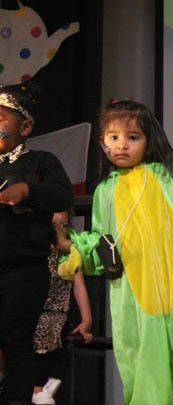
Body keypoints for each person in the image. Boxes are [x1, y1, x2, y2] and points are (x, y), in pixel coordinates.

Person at [54, 99, 173, 404]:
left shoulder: (170, 179)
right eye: (113, 138)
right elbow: (101, 240)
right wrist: (77, 249)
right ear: (103, 143)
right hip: (135, 298)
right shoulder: (105, 192)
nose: (122, 145)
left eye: (133, 137)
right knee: (144, 373)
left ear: (148, 141)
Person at [0, 84, 74, 403]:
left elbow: (62, 194)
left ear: (25, 127)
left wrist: (27, 191)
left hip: (23, 269)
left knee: (16, 340)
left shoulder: (40, 162)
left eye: (0, 117)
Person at [29, 209, 93, 405]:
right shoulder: (36, 246)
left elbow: (79, 285)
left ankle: (40, 388)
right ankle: (36, 388)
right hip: (34, 314)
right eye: (53, 225)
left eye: (64, 225)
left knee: (60, 351)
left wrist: (87, 319)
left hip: (59, 315)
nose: (58, 230)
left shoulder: (70, 251)